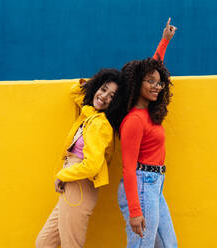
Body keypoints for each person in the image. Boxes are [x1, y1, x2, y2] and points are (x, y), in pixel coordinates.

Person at [35, 18, 176, 248]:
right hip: (129, 183)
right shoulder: (93, 114)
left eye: (112, 96)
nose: (105, 97)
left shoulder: (105, 122)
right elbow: (77, 92)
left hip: (124, 183)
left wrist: (164, 41)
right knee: (44, 243)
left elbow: (151, 72)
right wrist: (96, 87)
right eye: (103, 90)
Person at [118, 20, 178, 247]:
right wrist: (135, 211)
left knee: (169, 245)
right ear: (137, 83)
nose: (156, 85)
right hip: (142, 186)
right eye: (150, 82)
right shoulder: (134, 120)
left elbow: (153, 66)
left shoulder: (148, 113)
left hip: (155, 186)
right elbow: (128, 167)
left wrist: (164, 40)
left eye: (159, 82)